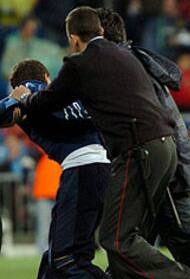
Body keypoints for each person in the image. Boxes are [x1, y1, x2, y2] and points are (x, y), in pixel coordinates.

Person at [12, 6, 190, 279]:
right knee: (128, 239)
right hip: (166, 144)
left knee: (113, 242)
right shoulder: (128, 55)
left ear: (74, 38)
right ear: (100, 30)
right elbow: (173, 76)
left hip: (137, 149)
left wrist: (21, 99)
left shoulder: (80, 64)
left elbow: (47, 101)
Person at [96, 7, 190, 279]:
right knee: (129, 242)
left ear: (100, 35)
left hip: (160, 167)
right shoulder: (130, 62)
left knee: (186, 240)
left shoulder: (124, 66)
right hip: (151, 163)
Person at [2, 59, 110, 278]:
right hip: (106, 168)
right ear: (47, 76)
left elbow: (7, 114)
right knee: (53, 261)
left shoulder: (27, 93)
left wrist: (12, 100)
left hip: (81, 168)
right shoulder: (70, 92)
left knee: (66, 259)